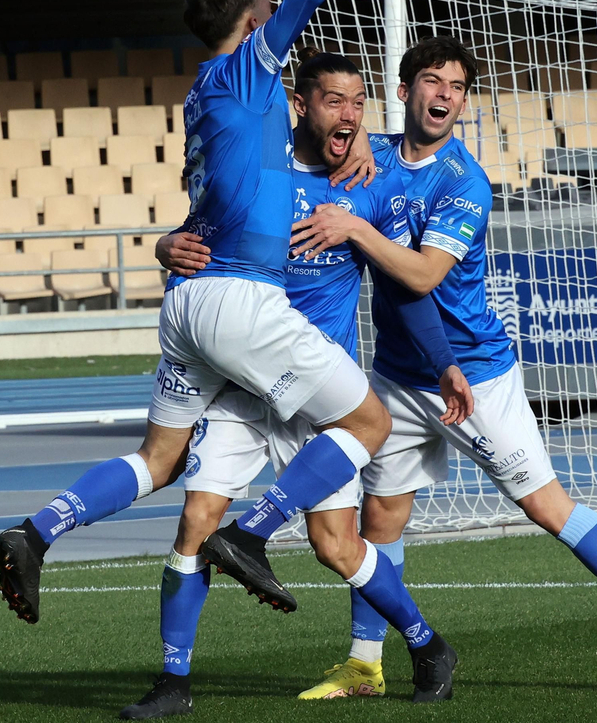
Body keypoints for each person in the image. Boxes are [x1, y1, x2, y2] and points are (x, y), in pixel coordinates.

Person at [0, 0, 458, 715]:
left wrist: (174, 241)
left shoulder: (219, 108)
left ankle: (41, 531)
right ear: (258, 33)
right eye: (327, 96)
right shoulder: (247, 74)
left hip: (197, 316)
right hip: (250, 317)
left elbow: (221, 197)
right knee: (370, 422)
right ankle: (250, 540)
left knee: (169, 469)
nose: (339, 111)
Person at [271, 35, 597, 696]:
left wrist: (356, 229)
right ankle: (364, 664)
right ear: (406, 89)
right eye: (434, 81)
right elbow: (318, 148)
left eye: (459, 87)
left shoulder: (464, 182)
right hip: (395, 377)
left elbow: (421, 274)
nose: (446, 94)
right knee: (378, 523)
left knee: (547, 508)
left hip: (475, 377)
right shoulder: (371, 154)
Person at [118, 50, 472, 717]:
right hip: (244, 386)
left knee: (335, 545)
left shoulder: (368, 187)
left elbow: (407, 286)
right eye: (335, 101)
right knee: (196, 521)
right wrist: (167, 246)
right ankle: (173, 682)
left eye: (359, 103)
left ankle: (428, 645)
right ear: (299, 106)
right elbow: (199, 236)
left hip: (319, 393)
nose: (349, 115)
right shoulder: (259, 172)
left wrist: (443, 360)